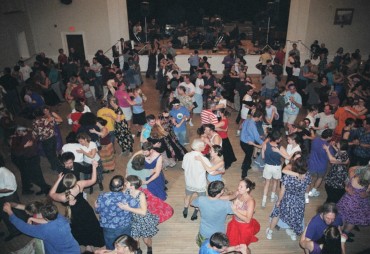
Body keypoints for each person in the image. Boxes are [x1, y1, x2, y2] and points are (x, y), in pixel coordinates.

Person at [49, 161, 105, 250]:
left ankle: (87, 245)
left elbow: (51, 194)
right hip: (84, 208)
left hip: (73, 213)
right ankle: (92, 242)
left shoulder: (63, 197)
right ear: (75, 181)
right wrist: (94, 167)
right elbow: (93, 180)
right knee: (90, 224)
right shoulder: (79, 184)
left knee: (80, 227)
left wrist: (58, 179)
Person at [3, 202, 80, 253]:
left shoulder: (44, 230)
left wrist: (10, 212)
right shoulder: (60, 218)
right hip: (75, 248)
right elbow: (48, 220)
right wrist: (32, 218)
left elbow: (24, 227)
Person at [266, 157, 311, 241]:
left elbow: (282, 192)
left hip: (287, 199)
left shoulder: (288, 177)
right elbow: (307, 188)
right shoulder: (307, 176)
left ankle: (270, 232)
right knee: (296, 217)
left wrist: (279, 201)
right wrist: (305, 197)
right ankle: (293, 233)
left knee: (277, 214)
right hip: (299, 200)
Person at [95, 175, 139, 250]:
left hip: (108, 227)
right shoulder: (127, 198)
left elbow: (97, 211)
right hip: (124, 226)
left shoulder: (102, 196)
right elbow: (137, 208)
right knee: (125, 244)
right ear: (122, 187)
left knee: (111, 246)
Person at [119, 175, 159, 254]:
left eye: (127, 182)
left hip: (143, 220)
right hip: (133, 220)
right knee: (134, 240)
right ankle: (138, 249)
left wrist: (128, 208)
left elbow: (143, 212)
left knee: (146, 240)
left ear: (132, 186)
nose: (125, 183)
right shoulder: (125, 191)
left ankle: (149, 247)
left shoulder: (141, 195)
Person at [10, 126, 51, 195]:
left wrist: (24, 146)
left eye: (18, 132)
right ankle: (45, 188)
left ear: (22, 131)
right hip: (34, 157)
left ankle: (46, 189)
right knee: (38, 175)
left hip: (31, 159)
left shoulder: (26, 140)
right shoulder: (30, 134)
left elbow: (18, 153)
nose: (17, 133)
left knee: (35, 176)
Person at [192, 181, 233, 247]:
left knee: (204, 249)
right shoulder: (226, 204)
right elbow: (235, 212)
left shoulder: (201, 199)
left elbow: (192, 203)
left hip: (204, 233)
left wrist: (200, 208)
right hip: (218, 235)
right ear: (221, 192)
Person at [337, 165, 370, 241]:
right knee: (352, 221)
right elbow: (365, 195)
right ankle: (345, 235)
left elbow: (352, 168)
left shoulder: (352, 175)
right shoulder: (367, 185)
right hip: (358, 205)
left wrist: (365, 167)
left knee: (343, 218)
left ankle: (339, 233)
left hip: (347, 201)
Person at [226, 178, 260, 252]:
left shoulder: (250, 201)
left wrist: (235, 210)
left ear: (247, 189)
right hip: (235, 222)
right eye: (239, 185)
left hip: (243, 227)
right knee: (232, 242)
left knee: (241, 246)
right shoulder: (239, 193)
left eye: (241, 186)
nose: (238, 188)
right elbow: (231, 198)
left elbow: (248, 220)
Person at [182, 139, 211, 220]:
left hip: (189, 182)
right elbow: (210, 170)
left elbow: (184, 167)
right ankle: (195, 213)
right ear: (200, 147)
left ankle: (185, 210)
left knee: (188, 196)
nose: (205, 146)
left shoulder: (186, 155)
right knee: (200, 199)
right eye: (204, 145)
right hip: (200, 183)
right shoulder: (203, 158)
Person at [32, 106, 63, 172]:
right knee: (53, 153)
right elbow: (56, 123)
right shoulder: (48, 119)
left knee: (49, 155)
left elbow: (35, 133)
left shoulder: (35, 122)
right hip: (53, 138)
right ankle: (59, 165)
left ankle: (55, 168)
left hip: (46, 141)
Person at [307, 129, 333, 200]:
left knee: (309, 178)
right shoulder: (328, 146)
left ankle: (306, 192)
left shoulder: (315, 140)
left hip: (312, 162)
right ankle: (313, 191)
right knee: (320, 177)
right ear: (328, 137)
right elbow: (331, 158)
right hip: (322, 165)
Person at [240, 111, 264, 178]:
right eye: (260, 118)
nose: (260, 119)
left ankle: (245, 166)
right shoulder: (253, 125)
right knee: (248, 157)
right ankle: (244, 173)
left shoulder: (247, 120)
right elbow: (256, 138)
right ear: (257, 117)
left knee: (247, 155)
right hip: (248, 144)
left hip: (242, 141)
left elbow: (241, 127)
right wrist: (263, 143)